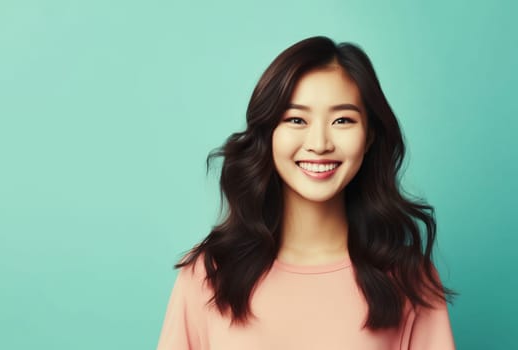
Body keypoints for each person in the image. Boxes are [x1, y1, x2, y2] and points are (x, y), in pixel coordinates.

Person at [156, 36, 457, 350]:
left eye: (342, 120)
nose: (319, 143)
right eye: (296, 119)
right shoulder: (208, 274)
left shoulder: (410, 279)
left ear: (368, 137)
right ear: (269, 134)